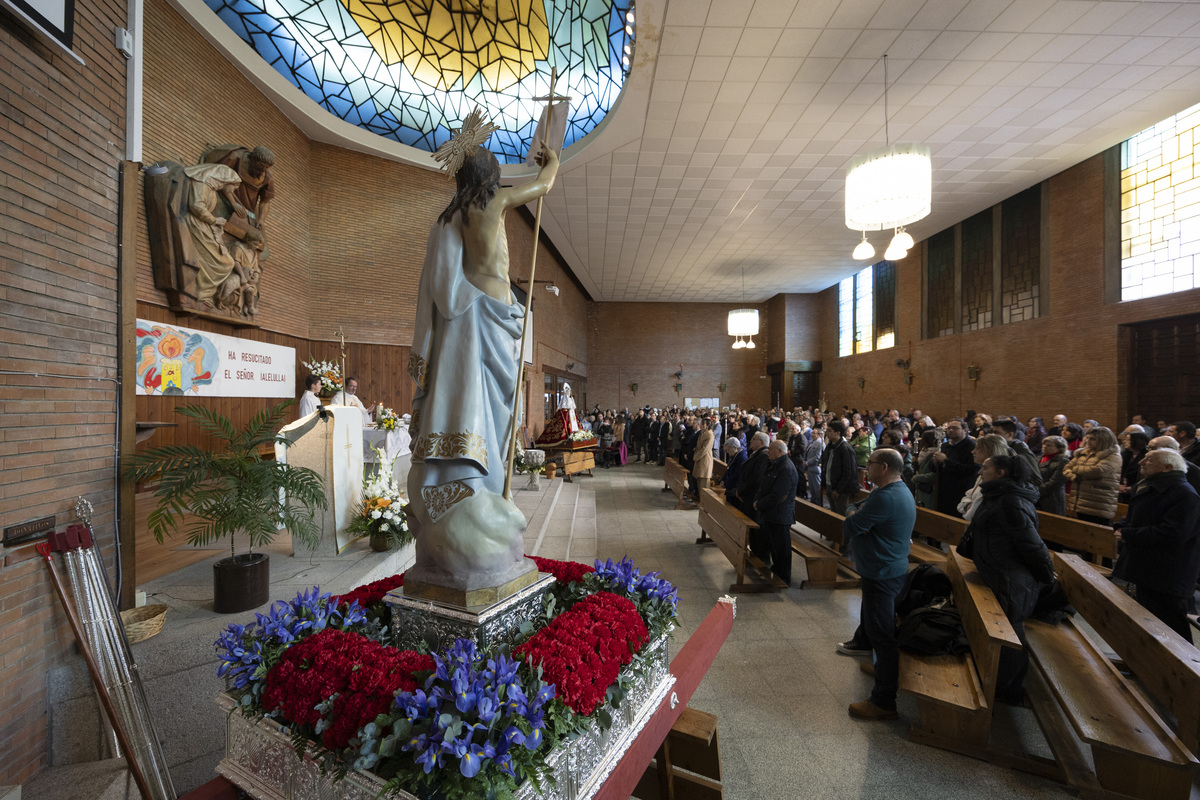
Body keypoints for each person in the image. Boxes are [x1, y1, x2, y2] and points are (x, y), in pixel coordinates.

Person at [406, 122, 559, 588]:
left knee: (486, 405)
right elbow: (543, 187)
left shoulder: (449, 217)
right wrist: (552, 161)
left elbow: (439, 281)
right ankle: (474, 490)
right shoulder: (494, 201)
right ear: (491, 178)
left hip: (474, 312)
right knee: (488, 407)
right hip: (487, 313)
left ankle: (479, 487)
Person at [957, 455, 1054, 705]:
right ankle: (999, 684)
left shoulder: (1010, 501)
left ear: (1000, 472)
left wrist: (1046, 578)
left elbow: (1031, 545)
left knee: (1010, 634)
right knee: (1005, 630)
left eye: (986, 468)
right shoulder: (999, 496)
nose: (981, 470)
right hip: (999, 572)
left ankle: (1008, 690)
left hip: (1010, 578)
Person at [842, 449, 918, 721]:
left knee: (882, 636)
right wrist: (857, 515)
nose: (865, 467)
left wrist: (852, 511)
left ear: (883, 467)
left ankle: (884, 702)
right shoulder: (894, 489)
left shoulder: (885, 497)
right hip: (886, 568)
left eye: (870, 464)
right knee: (878, 629)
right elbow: (860, 520)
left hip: (882, 573)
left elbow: (851, 525)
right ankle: (883, 667)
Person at [1116, 448, 1200, 642]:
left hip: (1168, 571)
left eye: (1150, 460)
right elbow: (1139, 517)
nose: (1141, 462)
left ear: (1168, 467)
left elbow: (1173, 532)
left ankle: (1181, 669)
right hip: (1149, 567)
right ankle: (1146, 664)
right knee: (1148, 619)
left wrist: (1128, 534)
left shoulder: (1185, 494)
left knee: (1171, 625)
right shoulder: (1152, 487)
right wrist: (1121, 525)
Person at [752, 439, 799, 586]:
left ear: (779, 451)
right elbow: (765, 485)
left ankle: (783, 578)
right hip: (772, 513)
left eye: (771, 450)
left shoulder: (786, 468)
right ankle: (776, 571)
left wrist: (759, 504)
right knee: (775, 546)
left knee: (781, 548)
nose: (768, 452)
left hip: (780, 515)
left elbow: (778, 495)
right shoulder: (776, 464)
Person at [1061, 426, 1121, 525]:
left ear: (1103, 440)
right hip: (1081, 500)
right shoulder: (1083, 453)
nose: (1088, 441)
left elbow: (1098, 471)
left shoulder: (1113, 455)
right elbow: (1066, 468)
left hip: (1099, 503)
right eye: (1087, 438)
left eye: (1092, 439)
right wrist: (1074, 477)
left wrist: (1076, 469)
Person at [957, 434, 1013, 522]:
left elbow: (971, 516)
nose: (973, 452)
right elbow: (968, 495)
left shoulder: (995, 478)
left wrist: (968, 506)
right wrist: (967, 505)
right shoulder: (982, 474)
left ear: (990, 451)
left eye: (977, 448)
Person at [933, 419, 978, 518]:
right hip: (944, 490)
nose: (951, 430)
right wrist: (934, 462)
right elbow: (935, 469)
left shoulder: (972, 447)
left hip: (960, 490)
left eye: (955, 428)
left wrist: (946, 461)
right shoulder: (945, 446)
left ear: (965, 430)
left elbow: (971, 469)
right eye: (949, 428)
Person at [820, 421, 859, 514]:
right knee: (833, 512)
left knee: (841, 513)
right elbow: (826, 466)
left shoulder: (845, 448)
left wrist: (838, 490)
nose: (827, 433)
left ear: (838, 433)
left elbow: (848, 472)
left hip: (841, 489)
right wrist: (823, 484)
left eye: (829, 431)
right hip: (831, 484)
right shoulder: (830, 446)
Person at [733, 432, 770, 519]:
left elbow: (756, 478)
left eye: (753, 439)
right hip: (747, 494)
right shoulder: (757, 453)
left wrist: (742, 491)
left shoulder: (764, 455)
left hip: (751, 496)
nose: (750, 441)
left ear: (761, 442)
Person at [1036, 436, 1070, 515]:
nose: (1044, 447)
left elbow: (1054, 483)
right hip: (1036, 497)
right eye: (1044, 444)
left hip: (1052, 499)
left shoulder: (1063, 462)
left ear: (1060, 449)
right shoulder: (1038, 458)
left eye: (1049, 445)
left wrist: (1035, 492)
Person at [911, 429, 940, 508]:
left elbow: (935, 475)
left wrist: (916, 477)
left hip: (929, 490)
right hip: (922, 489)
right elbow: (921, 468)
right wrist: (915, 463)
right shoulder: (924, 454)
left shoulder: (934, 456)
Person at [690, 419, 714, 499]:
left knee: (704, 481)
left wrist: (696, 457)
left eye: (702, 424)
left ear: (707, 425)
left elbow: (705, 449)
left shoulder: (710, 435)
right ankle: (700, 497)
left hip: (705, 458)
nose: (700, 425)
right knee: (699, 479)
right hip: (699, 458)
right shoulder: (702, 433)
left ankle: (704, 500)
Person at [803, 423, 825, 504]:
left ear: (819, 435)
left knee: (816, 488)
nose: (812, 434)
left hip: (815, 467)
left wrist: (807, 462)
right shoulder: (813, 442)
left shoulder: (820, 443)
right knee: (812, 488)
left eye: (814, 433)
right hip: (810, 468)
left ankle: (817, 503)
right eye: (812, 433)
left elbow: (817, 457)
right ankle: (813, 502)